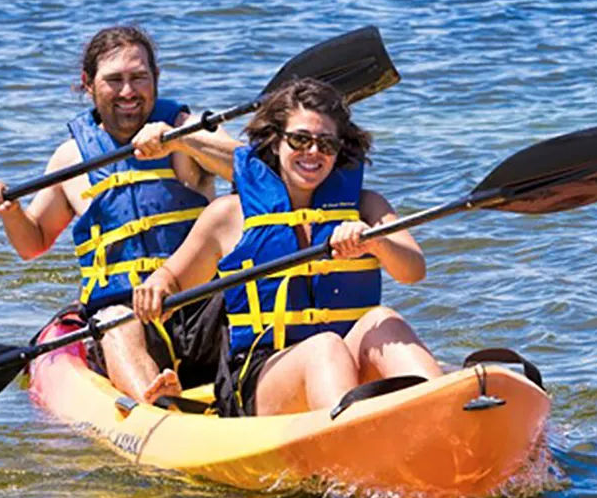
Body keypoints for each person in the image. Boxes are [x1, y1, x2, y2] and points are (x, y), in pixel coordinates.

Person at [132, 78, 443, 417]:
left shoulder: (366, 207)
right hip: (262, 375)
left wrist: (376, 242)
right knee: (324, 348)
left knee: (385, 320)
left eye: (326, 144)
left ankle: (444, 415)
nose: (313, 152)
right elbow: (173, 281)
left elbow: (414, 270)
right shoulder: (228, 215)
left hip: (346, 358)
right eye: (300, 139)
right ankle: (349, 441)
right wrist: (156, 287)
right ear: (275, 142)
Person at [0, 26, 239, 404]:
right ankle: (158, 405)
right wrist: (9, 210)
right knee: (116, 322)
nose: (128, 92)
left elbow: (252, 170)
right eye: (115, 80)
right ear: (88, 84)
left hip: (201, 305)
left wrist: (180, 139)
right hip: (128, 314)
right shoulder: (71, 158)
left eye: (139, 78)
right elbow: (33, 243)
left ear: (155, 79)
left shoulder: (187, 131)